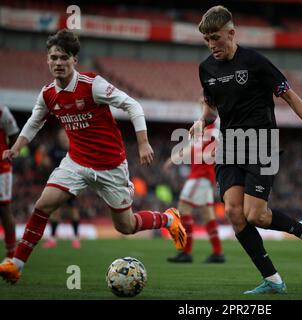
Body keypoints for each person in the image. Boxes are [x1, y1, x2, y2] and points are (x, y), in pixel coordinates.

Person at [0, 29, 186, 284]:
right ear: (47, 60)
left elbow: (133, 105)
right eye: (53, 58)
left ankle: (168, 218)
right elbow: (34, 123)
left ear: (74, 59)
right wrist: (16, 147)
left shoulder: (92, 85)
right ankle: (16, 264)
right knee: (43, 204)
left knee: (126, 226)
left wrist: (143, 143)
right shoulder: (48, 94)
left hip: (110, 167)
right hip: (76, 162)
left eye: (63, 57)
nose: (57, 63)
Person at [193, 6, 302, 294]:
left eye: (216, 38)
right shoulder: (205, 69)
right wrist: (201, 122)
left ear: (231, 33)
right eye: (206, 40)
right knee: (234, 213)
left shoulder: (256, 62)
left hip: (262, 144)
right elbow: (210, 109)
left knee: (256, 215)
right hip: (230, 146)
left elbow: (290, 96)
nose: (212, 45)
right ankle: (273, 280)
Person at [164, 115, 225, 263]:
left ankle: (186, 251)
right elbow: (191, 147)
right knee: (208, 215)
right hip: (202, 176)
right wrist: (173, 159)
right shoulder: (203, 129)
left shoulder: (213, 129)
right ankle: (217, 253)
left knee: (184, 208)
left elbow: (216, 149)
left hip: (201, 175)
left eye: (203, 103)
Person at [42, 129, 81, 249]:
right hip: (57, 182)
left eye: (64, 135)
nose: (63, 137)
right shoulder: (54, 149)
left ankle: (75, 238)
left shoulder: (73, 148)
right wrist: (45, 160)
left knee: (73, 211)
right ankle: (52, 239)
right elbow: (46, 161)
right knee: (55, 211)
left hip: (71, 184)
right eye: (61, 135)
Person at [0, 106, 19, 261]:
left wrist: (8, 153)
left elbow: (14, 135)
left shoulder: (2, 111)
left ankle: (11, 254)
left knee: (4, 208)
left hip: (1, 169)